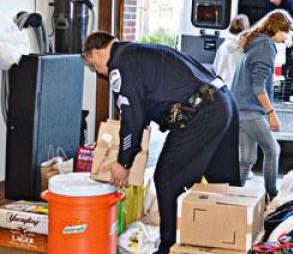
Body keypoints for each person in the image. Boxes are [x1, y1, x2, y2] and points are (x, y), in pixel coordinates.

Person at [82, 31, 241, 254]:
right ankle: (234, 240)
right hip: (223, 102)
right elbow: (145, 110)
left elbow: (131, 118)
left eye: (93, 66)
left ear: (96, 52)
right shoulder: (139, 52)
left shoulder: (120, 65)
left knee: (166, 179)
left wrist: (123, 163)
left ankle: (168, 247)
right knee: (222, 182)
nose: (99, 73)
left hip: (202, 113)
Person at [231, 9, 293, 199]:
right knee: (273, 149)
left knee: (247, 159)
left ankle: (232, 194)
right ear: (277, 29)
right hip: (251, 110)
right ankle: (271, 194)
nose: (287, 36)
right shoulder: (266, 46)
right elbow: (258, 86)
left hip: (238, 108)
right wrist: (271, 113)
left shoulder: (255, 41)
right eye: (287, 32)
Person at [212, 14, 250, 88]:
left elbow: (215, 68)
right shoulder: (244, 48)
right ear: (245, 28)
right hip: (237, 90)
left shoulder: (223, 46)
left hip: (222, 89)